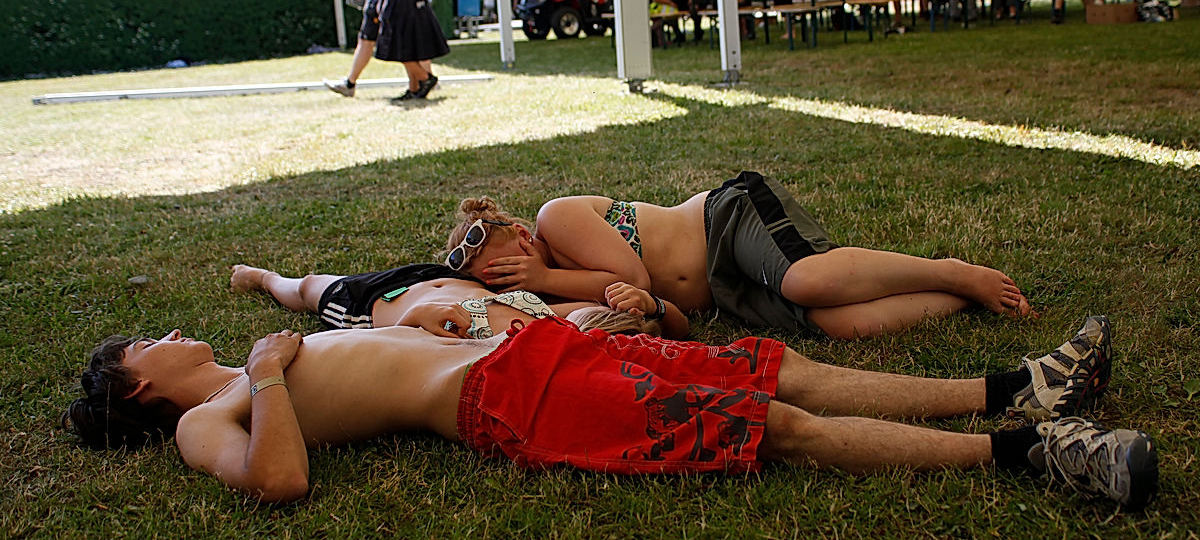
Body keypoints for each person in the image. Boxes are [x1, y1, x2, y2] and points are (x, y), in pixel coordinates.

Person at [62, 312, 1158, 510]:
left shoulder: (239, 372)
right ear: (137, 382)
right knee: (770, 425)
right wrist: (261, 370)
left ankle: (1017, 387)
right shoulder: (204, 417)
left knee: (772, 370)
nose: (163, 332)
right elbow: (281, 479)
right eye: (143, 340)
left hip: (532, 345)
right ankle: (1034, 452)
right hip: (511, 398)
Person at [443, 172, 1034, 341]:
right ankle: (958, 298)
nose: (493, 273)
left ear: (515, 231)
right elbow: (643, 307)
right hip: (727, 297)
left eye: (488, 252)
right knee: (847, 324)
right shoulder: (552, 292)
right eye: (483, 278)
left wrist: (545, 273)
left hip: (725, 221)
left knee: (806, 280)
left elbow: (633, 275)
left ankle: (954, 271)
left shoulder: (555, 217)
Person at [228, 261, 689, 340]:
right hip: (435, 276)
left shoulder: (493, 345)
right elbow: (681, 329)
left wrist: (411, 318)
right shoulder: (545, 314)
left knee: (307, 287)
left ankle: (264, 279)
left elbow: (405, 356)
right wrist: (653, 306)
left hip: (368, 308)